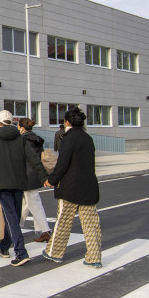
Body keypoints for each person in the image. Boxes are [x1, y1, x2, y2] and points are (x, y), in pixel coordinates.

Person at [0, 110, 48, 267]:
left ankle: (20, 252)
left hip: (3, 182)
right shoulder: (19, 137)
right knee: (14, 217)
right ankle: (4, 246)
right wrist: (44, 176)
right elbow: (32, 158)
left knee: (11, 218)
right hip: (19, 181)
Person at [43, 107, 102, 268]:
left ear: (67, 122)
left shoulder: (68, 139)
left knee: (63, 221)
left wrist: (52, 180)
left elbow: (62, 165)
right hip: (89, 186)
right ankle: (94, 257)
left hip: (69, 187)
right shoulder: (88, 138)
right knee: (91, 225)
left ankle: (54, 252)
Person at [17, 118, 52, 242]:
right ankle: (18, 227)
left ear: (21, 128)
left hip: (26, 175)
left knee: (34, 204)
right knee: (27, 203)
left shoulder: (22, 140)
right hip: (35, 174)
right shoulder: (37, 139)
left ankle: (45, 230)